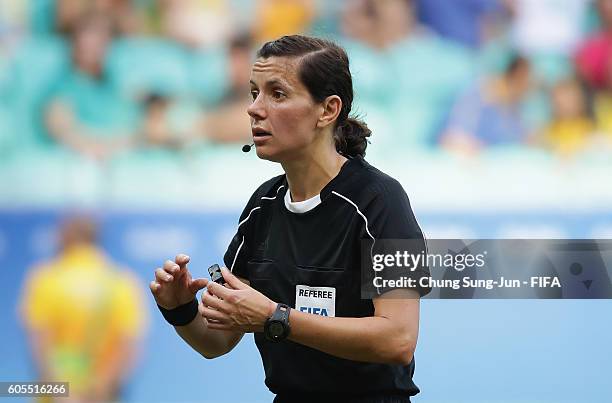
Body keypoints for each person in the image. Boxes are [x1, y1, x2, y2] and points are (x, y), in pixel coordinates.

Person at [150, 35, 430, 403]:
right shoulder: (261, 205)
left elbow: (398, 340)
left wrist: (275, 318)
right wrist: (179, 308)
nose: (254, 109)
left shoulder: (381, 201)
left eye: (277, 94)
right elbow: (216, 341)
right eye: (254, 93)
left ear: (328, 110)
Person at [20, 216, 147, 402]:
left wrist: (62, 394)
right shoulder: (122, 283)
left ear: (66, 236)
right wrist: (100, 391)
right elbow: (128, 347)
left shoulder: (45, 279)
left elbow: (40, 345)